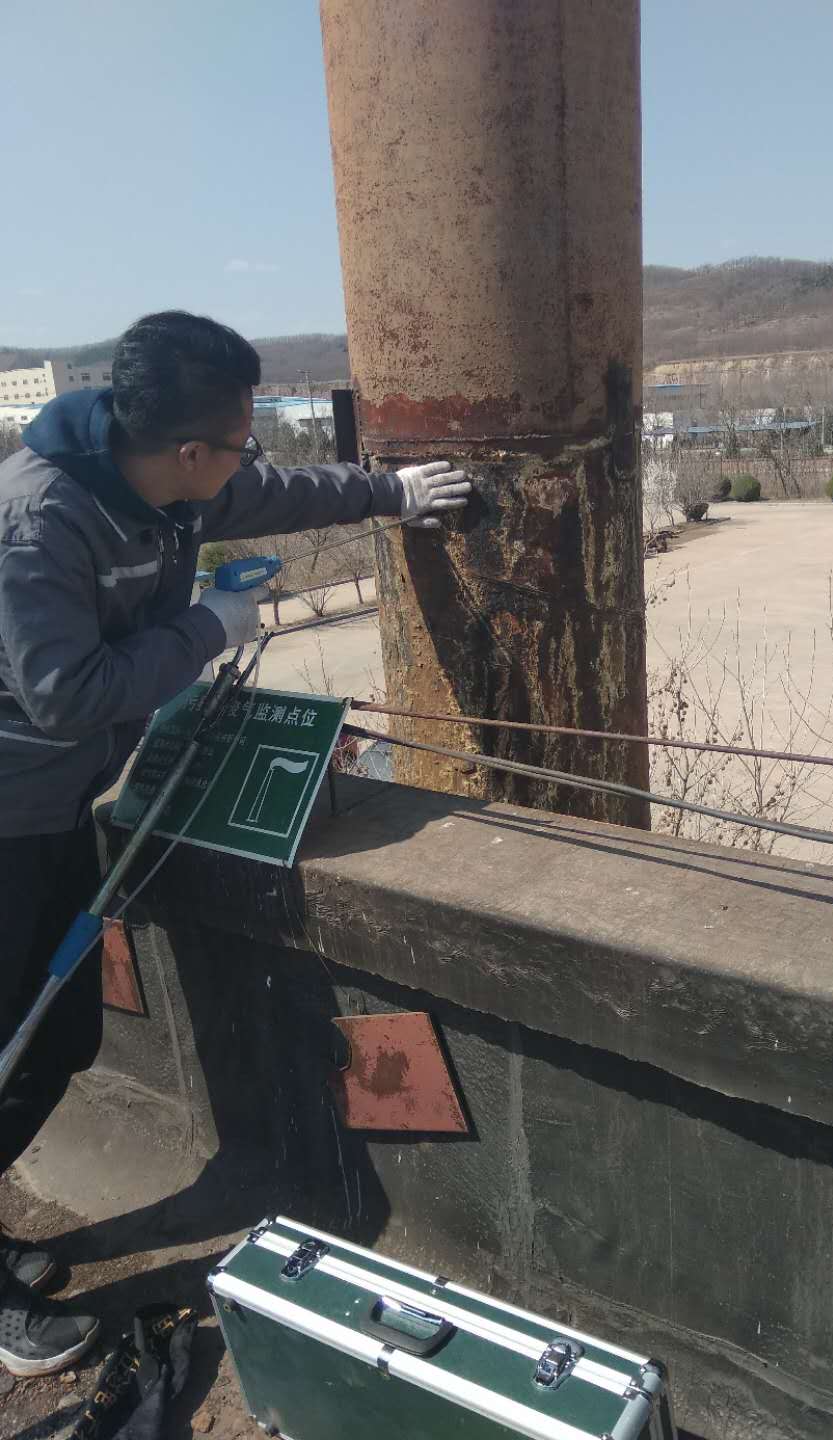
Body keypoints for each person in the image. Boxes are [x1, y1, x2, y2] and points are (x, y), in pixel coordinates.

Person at [0, 311, 470, 1375]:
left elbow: (279, 495)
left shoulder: (173, 487)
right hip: (7, 813)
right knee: (12, 1041)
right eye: (238, 441)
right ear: (187, 451)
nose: (246, 458)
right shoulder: (38, 525)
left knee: (58, 1037)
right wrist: (207, 627)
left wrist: (390, 493)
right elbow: (68, 695)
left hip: (55, 808)